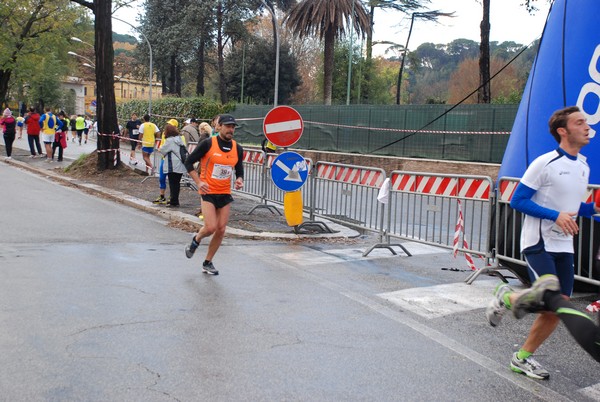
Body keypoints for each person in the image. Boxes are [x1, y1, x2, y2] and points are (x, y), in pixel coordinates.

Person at [486, 106, 597, 379]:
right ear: (563, 130)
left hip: (564, 246)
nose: (587, 126)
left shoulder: (583, 166)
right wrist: (554, 216)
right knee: (552, 296)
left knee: (556, 308)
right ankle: (506, 296)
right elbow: (518, 200)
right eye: (579, 122)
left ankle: (522, 357)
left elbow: (571, 207)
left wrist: (592, 208)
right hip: (539, 242)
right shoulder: (544, 163)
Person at [183, 114, 244, 275]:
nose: (231, 129)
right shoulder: (208, 144)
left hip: (224, 193)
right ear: (219, 127)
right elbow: (188, 162)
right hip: (208, 191)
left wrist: (239, 179)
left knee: (222, 229)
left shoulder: (237, 148)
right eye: (228, 126)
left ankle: (207, 262)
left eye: (233, 127)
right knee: (210, 227)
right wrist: (199, 182)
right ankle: (196, 240)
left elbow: (239, 167)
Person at [155, 123, 187, 207]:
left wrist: (158, 149)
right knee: (177, 183)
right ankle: (175, 200)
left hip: (172, 165)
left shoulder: (169, 141)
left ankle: (173, 201)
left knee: (172, 183)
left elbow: (163, 150)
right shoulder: (179, 139)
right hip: (180, 164)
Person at [153, 119, 180, 204]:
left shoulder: (177, 138)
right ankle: (162, 195)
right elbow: (162, 146)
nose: (168, 126)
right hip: (164, 159)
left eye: (170, 125)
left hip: (172, 161)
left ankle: (171, 197)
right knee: (162, 178)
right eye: (168, 124)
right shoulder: (164, 135)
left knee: (173, 181)